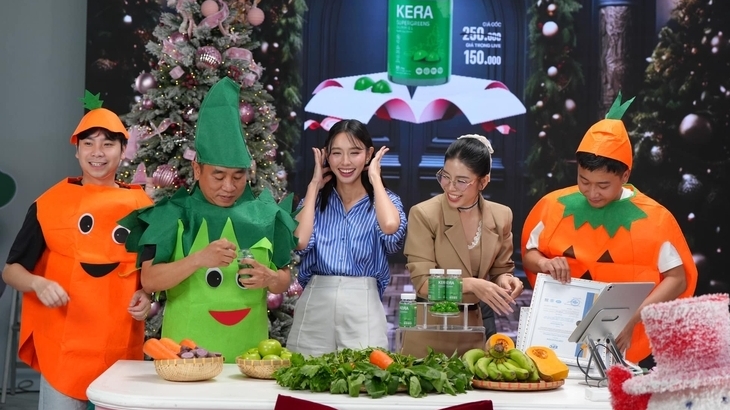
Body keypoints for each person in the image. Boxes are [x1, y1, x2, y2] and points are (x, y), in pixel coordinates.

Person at [120, 77, 298, 362]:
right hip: (187, 358)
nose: (229, 187)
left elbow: (282, 281)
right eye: (218, 176)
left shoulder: (266, 216)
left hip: (250, 356)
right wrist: (198, 259)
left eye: (238, 176)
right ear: (197, 169)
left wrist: (272, 277)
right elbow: (150, 280)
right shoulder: (172, 214)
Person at [521, 93, 698, 368]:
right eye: (584, 181)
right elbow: (529, 254)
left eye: (603, 185)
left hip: (625, 335)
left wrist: (633, 318)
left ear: (625, 175)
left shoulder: (654, 219)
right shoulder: (554, 206)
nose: (592, 192)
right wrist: (544, 263)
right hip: (560, 326)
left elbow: (677, 279)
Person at [1, 92, 152, 410]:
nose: (98, 152)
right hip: (63, 346)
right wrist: (38, 283)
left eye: (108, 144)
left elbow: (151, 271)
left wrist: (147, 295)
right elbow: (11, 270)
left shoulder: (142, 208)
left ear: (123, 150)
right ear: (77, 150)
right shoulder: (49, 204)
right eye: (89, 143)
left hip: (120, 345)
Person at [286, 119, 407, 356]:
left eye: (355, 152)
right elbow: (300, 241)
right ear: (326, 156)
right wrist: (313, 186)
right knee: (306, 373)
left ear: (369, 154)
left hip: (363, 302)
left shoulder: (385, 200)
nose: (345, 162)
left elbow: (391, 228)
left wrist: (375, 179)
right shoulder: (314, 202)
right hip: (316, 299)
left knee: (364, 374)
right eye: (337, 153)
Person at [404, 135, 524, 341]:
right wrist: (472, 285)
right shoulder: (424, 214)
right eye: (445, 176)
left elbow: (501, 270)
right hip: (432, 325)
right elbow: (423, 285)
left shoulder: (501, 216)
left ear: (483, 181)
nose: (450, 187)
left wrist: (507, 281)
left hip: (477, 325)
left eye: (461, 181)